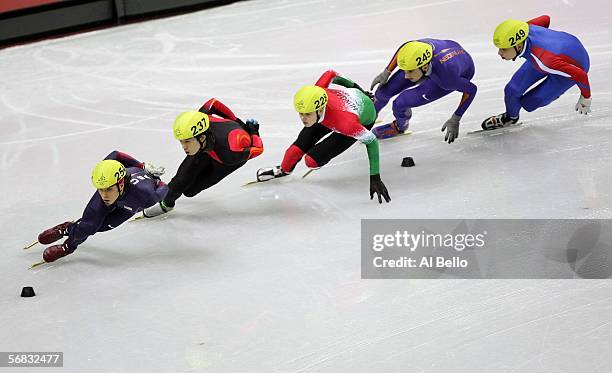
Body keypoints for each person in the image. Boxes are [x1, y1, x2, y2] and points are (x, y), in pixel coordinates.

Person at [256, 70, 391, 203]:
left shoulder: (347, 124)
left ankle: (320, 159)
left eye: (307, 114)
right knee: (292, 153)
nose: (303, 118)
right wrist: (358, 89)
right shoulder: (316, 92)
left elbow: (372, 141)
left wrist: (375, 177)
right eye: (300, 113)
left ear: (320, 109)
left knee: (311, 161)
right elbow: (331, 73)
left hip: (359, 118)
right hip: (332, 113)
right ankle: (283, 170)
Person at [142, 98, 264, 217]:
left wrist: (253, 132)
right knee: (180, 181)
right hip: (206, 148)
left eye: (187, 141)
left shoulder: (231, 153)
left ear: (201, 138)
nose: (184, 147)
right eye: (181, 141)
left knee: (190, 192)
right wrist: (235, 119)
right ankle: (166, 204)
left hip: (224, 161)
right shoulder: (199, 120)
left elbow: (258, 149)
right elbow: (213, 103)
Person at [37, 152, 167, 263]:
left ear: (121, 185)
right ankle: (68, 245)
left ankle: (69, 229)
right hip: (122, 192)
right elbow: (116, 154)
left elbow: (164, 188)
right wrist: (141, 165)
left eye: (108, 190)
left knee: (102, 227)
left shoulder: (145, 197)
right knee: (88, 226)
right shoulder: (106, 181)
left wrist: (157, 181)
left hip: (128, 204)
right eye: (100, 189)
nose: (104, 195)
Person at [482, 15, 591, 129]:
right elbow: (545, 19)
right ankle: (510, 118)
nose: (499, 53)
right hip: (551, 55)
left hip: (574, 66)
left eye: (504, 49)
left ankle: (551, 92)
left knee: (529, 103)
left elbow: (580, 75)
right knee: (511, 90)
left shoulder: (545, 61)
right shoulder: (525, 28)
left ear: (518, 46)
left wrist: (586, 98)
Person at [370, 39, 477, 142]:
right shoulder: (417, 48)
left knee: (400, 103)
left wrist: (456, 118)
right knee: (382, 92)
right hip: (441, 56)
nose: (406, 76)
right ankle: (371, 115)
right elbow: (404, 47)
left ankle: (399, 127)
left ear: (425, 67)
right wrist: (387, 72)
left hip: (453, 72)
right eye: (405, 71)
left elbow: (471, 90)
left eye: (410, 71)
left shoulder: (447, 79)